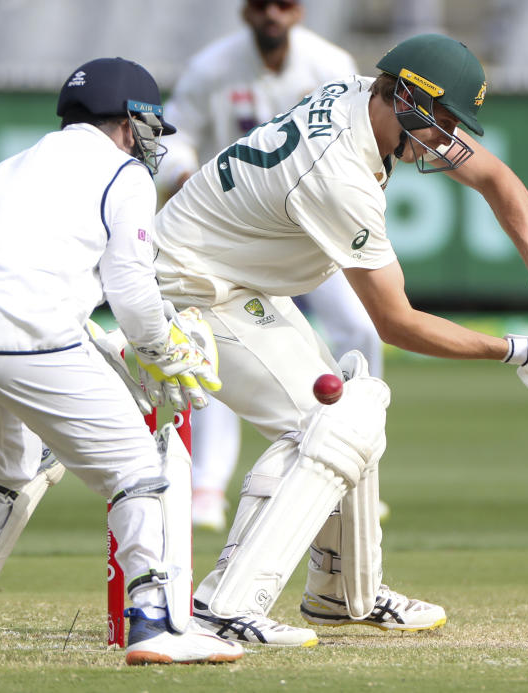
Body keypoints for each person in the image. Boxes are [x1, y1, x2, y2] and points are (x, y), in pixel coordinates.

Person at [149, 33, 528, 647]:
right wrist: (520, 350)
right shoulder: (338, 172)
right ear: (410, 99)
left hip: (234, 277)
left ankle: (344, 595)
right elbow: (398, 323)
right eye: (442, 122)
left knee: (355, 408)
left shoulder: (372, 97)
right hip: (190, 290)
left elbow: (494, 176)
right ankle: (224, 603)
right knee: (328, 423)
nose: (447, 140)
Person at [0, 57, 243, 665]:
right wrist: (163, 348)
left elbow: (1, 271)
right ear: (131, 122)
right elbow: (133, 293)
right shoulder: (123, 174)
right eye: (149, 126)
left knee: (8, 462)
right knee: (136, 468)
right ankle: (155, 621)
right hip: (21, 338)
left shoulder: (10, 167)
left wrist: (101, 339)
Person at [159, 0, 384, 531]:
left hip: (310, 231)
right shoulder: (212, 68)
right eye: (262, 5)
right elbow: (174, 135)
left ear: (298, 12)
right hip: (232, 237)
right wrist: (183, 173)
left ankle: (358, 468)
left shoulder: (329, 63)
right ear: (246, 12)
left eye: (283, 5)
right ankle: (208, 488)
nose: (272, 15)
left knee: (360, 325)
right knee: (212, 348)